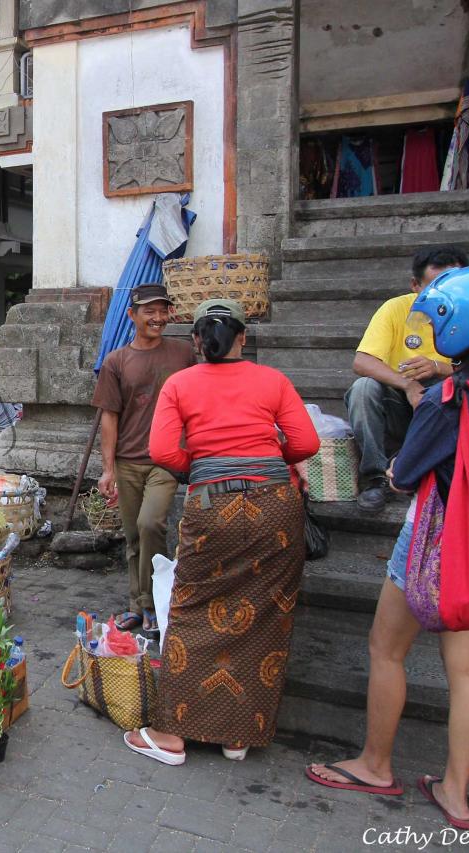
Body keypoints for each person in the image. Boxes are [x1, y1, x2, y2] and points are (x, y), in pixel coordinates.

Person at [307, 267, 469, 831]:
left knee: (386, 649)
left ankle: (375, 765)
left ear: (460, 328)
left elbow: (405, 473)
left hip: (440, 542)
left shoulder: (449, 398)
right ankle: (456, 794)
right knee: (467, 672)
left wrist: (392, 470)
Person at [125, 299, 320, 767]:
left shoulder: (181, 383)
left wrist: (208, 468)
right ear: (243, 339)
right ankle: (238, 735)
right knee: (264, 616)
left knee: (192, 608)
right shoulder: (272, 380)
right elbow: (307, 444)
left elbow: (163, 452)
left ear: (196, 341)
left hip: (213, 507)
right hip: (276, 506)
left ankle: (172, 734)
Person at [93, 284, 197, 633]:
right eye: (149, 311)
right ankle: (140, 605)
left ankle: (152, 602)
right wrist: (107, 470)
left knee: (151, 524)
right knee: (133, 537)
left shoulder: (183, 354)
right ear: (132, 315)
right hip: (127, 461)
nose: (158, 317)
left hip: (166, 460)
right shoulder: (116, 361)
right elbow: (110, 417)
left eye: (162, 310)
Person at [347, 246, 469, 512]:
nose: (445, 297)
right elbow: (362, 361)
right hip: (401, 403)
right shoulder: (396, 308)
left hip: (444, 405)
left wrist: (438, 367)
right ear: (415, 285)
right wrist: (408, 384)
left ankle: (441, 474)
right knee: (363, 388)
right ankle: (375, 478)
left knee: (455, 391)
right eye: (435, 289)